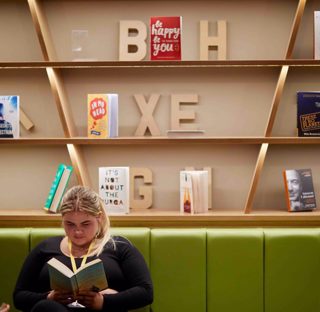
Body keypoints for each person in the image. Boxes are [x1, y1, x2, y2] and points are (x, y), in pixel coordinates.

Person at [13, 185, 153, 312]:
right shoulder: (45, 248)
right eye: (70, 224)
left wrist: (104, 301)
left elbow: (146, 292)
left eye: (85, 224)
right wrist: (49, 297)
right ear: (62, 219)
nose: (77, 232)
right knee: (45, 307)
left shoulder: (119, 247)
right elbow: (19, 296)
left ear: (99, 218)